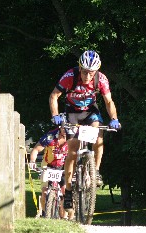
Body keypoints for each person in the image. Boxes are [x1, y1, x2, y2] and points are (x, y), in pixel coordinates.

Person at [49, 50, 121, 213]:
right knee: (72, 152)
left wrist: (114, 118)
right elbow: (54, 96)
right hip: (72, 112)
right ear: (79, 68)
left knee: (98, 136)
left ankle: (95, 171)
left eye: (91, 72)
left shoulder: (101, 79)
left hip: (90, 112)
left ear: (96, 71)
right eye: (84, 72)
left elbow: (108, 101)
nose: (87, 76)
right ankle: (68, 191)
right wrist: (55, 116)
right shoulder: (69, 76)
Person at [29, 126, 68, 218]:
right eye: (64, 128)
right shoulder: (50, 136)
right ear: (60, 128)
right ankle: (44, 212)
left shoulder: (73, 137)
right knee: (45, 191)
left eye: (68, 129)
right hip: (48, 165)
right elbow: (36, 149)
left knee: (65, 192)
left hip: (63, 166)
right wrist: (32, 161)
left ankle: (65, 216)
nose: (66, 131)